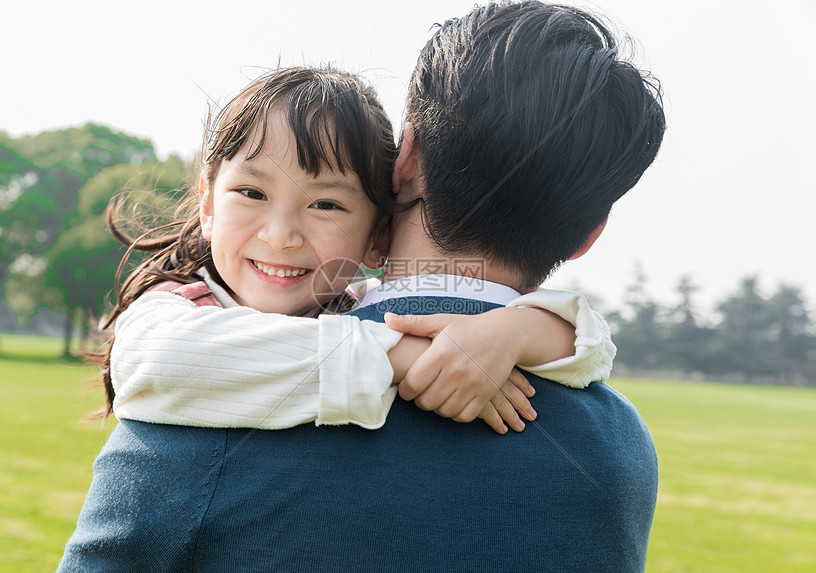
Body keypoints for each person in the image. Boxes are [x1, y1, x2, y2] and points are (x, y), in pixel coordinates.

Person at [58, 2, 665, 571]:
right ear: (590, 233)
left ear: (404, 162)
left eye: (322, 202)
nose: (280, 235)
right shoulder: (622, 453)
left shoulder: (212, 399)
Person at [99, 66, 613, 437]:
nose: (281, 236)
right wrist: (404, 356)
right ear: (208, 206)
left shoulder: (361, 305)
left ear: (378, 236)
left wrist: (515, 332)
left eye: (325, 204)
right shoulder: (177, 308)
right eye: (252, 193)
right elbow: (162, 362)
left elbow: (593, 346)